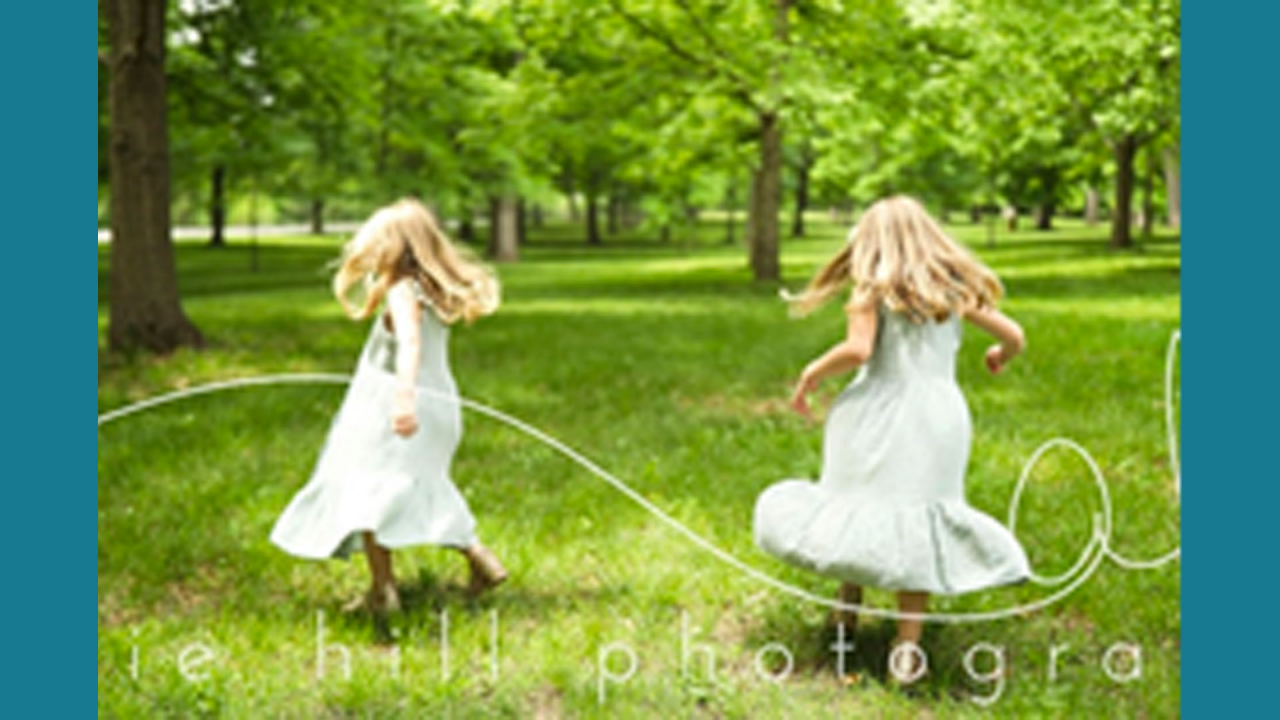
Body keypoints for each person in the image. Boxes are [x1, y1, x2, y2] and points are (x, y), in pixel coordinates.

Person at [753, 195, 1031, 680]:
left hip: (872, 413)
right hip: (937, 415)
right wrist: (998, 356)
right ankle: (907, 648)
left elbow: (859, 350)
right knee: (919, 517)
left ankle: (847, 609)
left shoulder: (869, 291)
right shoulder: (955, 290)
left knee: (854, 505)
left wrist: (812, 373)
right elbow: (1015, 336)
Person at [271, 198, 508, 614]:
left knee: (367, 491)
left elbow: (410, 343)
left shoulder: (402, 290)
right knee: (422, 486)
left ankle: (383, 591)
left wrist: (403, 398)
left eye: (379, 243)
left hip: (395, 409)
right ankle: (479, 557)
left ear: (399, 246)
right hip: (439, 406)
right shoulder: (435, 291)